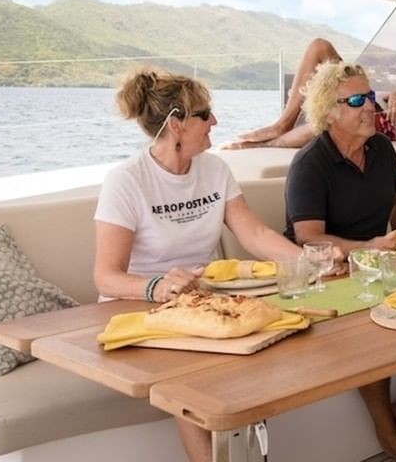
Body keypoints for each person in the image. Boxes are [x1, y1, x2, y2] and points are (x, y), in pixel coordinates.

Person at [92, 67, 311, 462]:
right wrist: (157, 286)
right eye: (205, 114)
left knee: (276, 338)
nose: (215, 122)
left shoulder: (214, 170)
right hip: (139, 307)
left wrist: (311, 263)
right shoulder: (126, 181)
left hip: (201, 303)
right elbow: (106, 276)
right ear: (176, 124)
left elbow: (254, 234)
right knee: (195, 379)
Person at [283, 60, 396, 461]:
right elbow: (308, 237)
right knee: (370, 325)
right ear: (328, 111)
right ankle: (389, 436)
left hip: (379, 261)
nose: (370, 106)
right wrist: (367, 247)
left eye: (370, 96)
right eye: (356, 100)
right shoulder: (310, 162)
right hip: (326, 272)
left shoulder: (381, 148)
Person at [227, 38, 396, 161]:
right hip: (373, 100)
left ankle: (267, 144)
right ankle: (282, 124)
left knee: (327, 120)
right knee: (320, 47)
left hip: (381, 123)